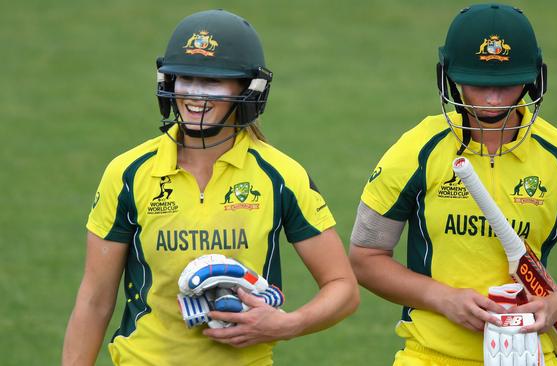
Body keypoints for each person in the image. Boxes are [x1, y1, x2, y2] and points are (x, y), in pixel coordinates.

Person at [62, 9, 359, 366]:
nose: (194, 94)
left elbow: (343, 288)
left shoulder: (282, 176)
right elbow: (95, 300)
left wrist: (286, 324)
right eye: (185, 77)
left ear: (248, 90)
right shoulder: (127, 173)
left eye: (214, 82)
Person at [348, 4, 557, 365]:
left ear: (533, 78)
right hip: (430, 356)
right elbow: (365, 257)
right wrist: (442, 298)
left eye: (507, 84)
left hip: (529, 355)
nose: (493, 99)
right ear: (449, 76)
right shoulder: (416, 149)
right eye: (479, 84)